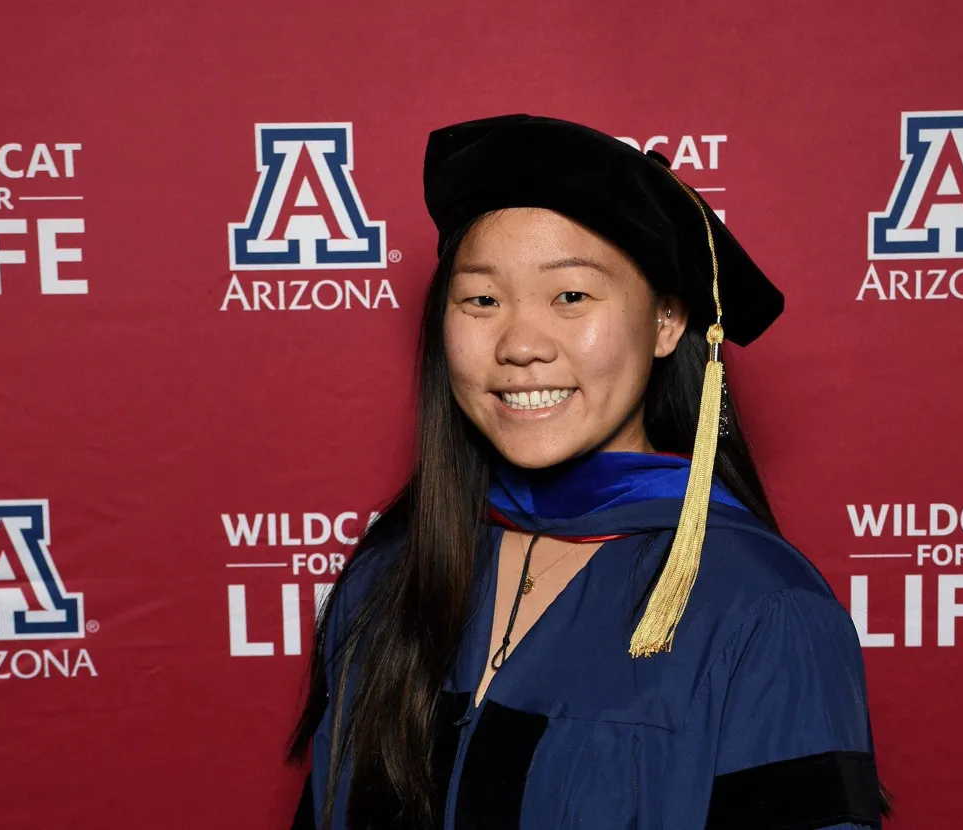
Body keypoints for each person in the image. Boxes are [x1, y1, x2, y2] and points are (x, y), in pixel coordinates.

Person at [287, 114, 888, 830]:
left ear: (667, 320)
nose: (520, 345)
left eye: (570, 296)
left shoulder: (764, 611)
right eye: (481, 299)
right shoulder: (389, 577)